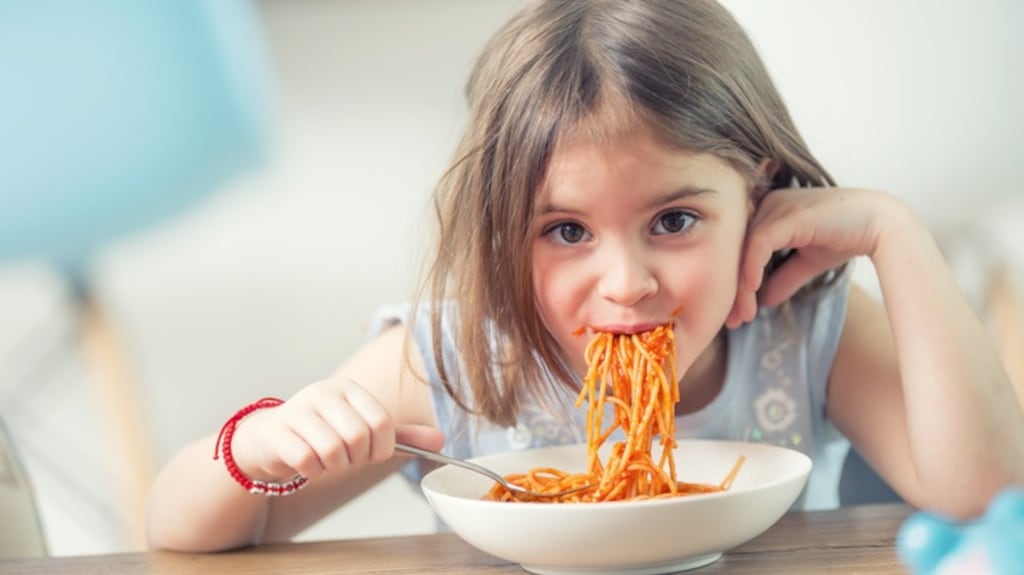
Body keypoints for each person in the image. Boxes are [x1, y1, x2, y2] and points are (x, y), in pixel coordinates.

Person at [145, 0, 1024, 552]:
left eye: (675, 221)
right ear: (499, 233)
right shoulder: (454, 359)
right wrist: (257, 445)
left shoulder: (807, 330)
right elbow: (181, 532)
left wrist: (895, 233)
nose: (626, 281)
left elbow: (985, 494)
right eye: (565, 230)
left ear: (757, 193)